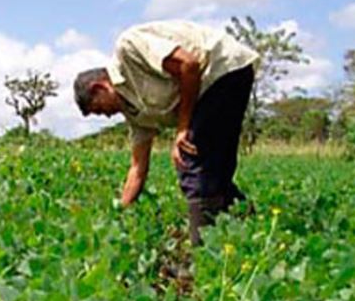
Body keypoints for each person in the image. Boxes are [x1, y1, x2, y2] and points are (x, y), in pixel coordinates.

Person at [73, 20, 259, 246]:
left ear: (99, 88)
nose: (107, 116)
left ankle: (201, 256)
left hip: (222, 71)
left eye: (100, 110)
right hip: (210, 90)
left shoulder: (128, 49)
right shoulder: (135, 114)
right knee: (212, 173)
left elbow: (189, 65)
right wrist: (119, 214)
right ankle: (253, 228)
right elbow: (137, 169)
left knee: (189, 158)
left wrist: (182, 128)